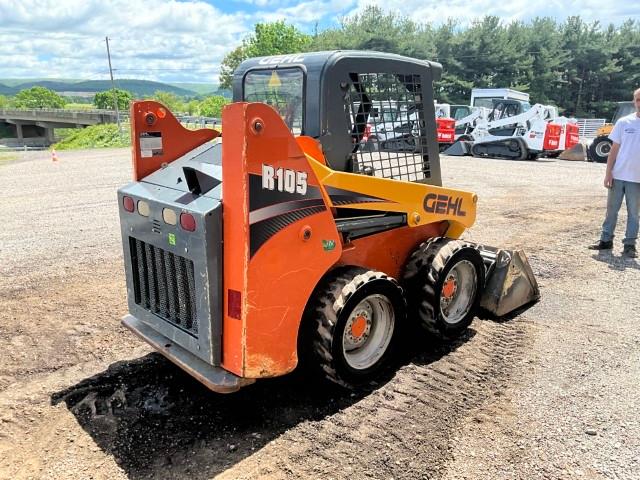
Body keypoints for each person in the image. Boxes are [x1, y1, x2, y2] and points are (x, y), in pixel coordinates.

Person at [589, 88, 640, 258]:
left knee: (634, 213)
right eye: (638, 99)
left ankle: (630, 245)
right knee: (611, 210)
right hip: (618, 175)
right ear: (634, 101)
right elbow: (613, 150)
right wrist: (608, 173)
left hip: (637, 179)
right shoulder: (624, 123)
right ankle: (605, 241)